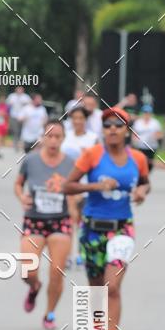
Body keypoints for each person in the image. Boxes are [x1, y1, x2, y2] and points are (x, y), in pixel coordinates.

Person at [64, 107, 150, 330]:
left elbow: (145, 182)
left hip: (122, 228)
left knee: (112, 286)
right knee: (97, 291)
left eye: (118, 125)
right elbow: (69, 186)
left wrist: (141, 193)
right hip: (92, 229)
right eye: (108, 125)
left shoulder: (138, 158)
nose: (112, 129)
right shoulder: (92, 155)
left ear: (127, 131)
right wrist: (95, 186)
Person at [14, 120, 76, 329]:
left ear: (63, 139)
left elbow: (74, 194)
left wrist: (74, 219)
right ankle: (34, 287)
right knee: (28, 271)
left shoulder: (70, 163)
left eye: (57, 136)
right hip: (34, 220)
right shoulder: (30, 160)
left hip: (61, 221)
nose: (53, 140)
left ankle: (49, 313)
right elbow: (18, 183)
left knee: (57, 272)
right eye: (49, 136)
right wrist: (22, 197)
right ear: (42, 137)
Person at [62, 107, 98, 266]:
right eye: (74, 118)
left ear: (86, 120)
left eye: (80, 118)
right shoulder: (65, 136)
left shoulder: (92, 138)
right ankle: (69, 255)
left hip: (85, 187)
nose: (77, 121)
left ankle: (83, 254)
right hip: (65, 184)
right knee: (70, 220)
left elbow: (97, 163)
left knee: (83, 222)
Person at [131, 105, 163, 173]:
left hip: (151, 146)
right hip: (140, 146)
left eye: (148, 112)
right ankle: (142, 173)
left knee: (149, 162)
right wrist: (134, 140)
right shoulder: (138, 122)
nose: (146, 114)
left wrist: (155, 137)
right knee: (141, 160)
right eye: (145, 112)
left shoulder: (155, 123)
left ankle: (147, 172)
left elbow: (159, 134)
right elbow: (134, 133)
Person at [6, 85, 31, 152]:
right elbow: (7, 105)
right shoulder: (12, 96)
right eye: (18, 89)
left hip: (23, 116)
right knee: (15, 131)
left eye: (21, 90)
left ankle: (23, 146)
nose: (19, 91)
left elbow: (30, 105)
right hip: (14, 116)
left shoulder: (26, 97)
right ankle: (15, 146)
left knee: (22, 131)